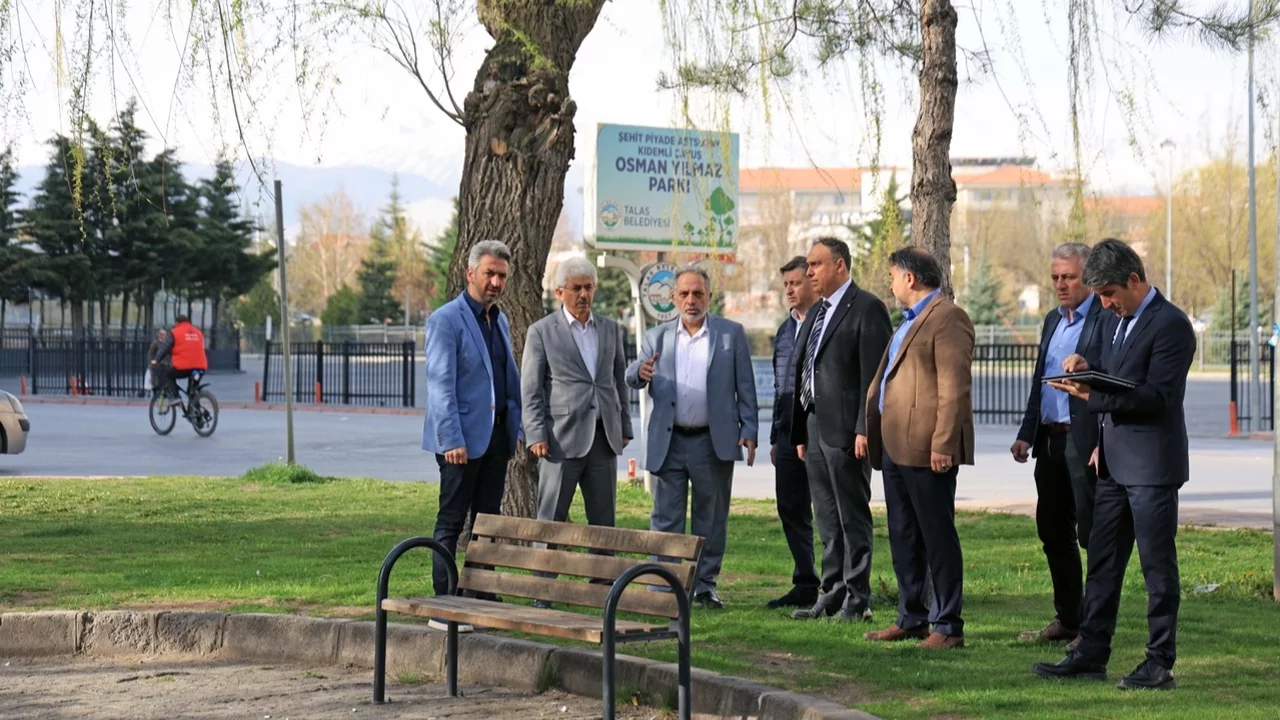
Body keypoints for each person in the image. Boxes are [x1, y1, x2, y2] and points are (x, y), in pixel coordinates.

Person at [1034, 238, 1195, 691]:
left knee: (1156, 568)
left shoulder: (1172, 325)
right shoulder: (1113, 320)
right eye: (1100, 296)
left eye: (1109, 294)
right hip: (1111, 464)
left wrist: (1092, 396)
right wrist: (1086, 365)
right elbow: (1112, 370)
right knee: (1102, 563)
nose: (1104, 304)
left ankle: (1159, 662)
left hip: (1152, 467)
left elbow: (1157, 396)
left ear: (1134, 280)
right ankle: (1091, 652)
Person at [626, 266, 758, 609]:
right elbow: (632, 375)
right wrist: (640, 371)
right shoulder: (656, 338)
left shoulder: (730, 335)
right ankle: (664, 586)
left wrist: (750, 430)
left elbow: (745, 386)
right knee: (665, 518)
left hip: (712, 442)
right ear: (673, 298)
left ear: (709, 297)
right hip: (670, 442)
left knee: (710, 518)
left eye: (698, 293)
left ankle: (704, 586)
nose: (691, 300)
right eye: (684, 294)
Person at [865, 247, 974, 650]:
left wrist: (943, 443)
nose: (890, 283)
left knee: (937, 536)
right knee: (904, 534)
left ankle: (948, 625)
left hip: (928, 449)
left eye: (893, 276)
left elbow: (954, 387)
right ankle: (912, 617)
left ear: (909, 278)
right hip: (896, 445)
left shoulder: (948, 318)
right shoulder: (908, 320)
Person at [788, 237, 893, 622]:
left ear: (840, 266)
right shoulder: (817, 312)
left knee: (852, 517)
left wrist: (865, 427)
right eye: (808, 265)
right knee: (827, 518)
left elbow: (875, 375)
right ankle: (830, 595)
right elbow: (806, 368)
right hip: (816, 426)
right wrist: (802, 431)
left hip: (848, 431)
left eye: (816, 264)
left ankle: (857, 599)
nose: (809, 272)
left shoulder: (867, 308)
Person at [421, 240, 522, 632]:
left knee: (487, 522)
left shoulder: (501, 320)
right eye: (489, 274)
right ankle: (444, 607)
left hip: (496, 439)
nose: (496, 282)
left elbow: (504, 379)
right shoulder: (446, 320)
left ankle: (479, 595)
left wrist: (515, 429)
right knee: (451, 522)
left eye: (502, 276)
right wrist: (451, 440)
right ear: (470, 274)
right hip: (460, 444)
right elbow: (440, 385)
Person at [521, 256, 633, 608]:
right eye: (576, 288)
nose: (583, 294)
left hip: (603, 437)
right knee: (551, 517)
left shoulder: (611, 329)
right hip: (559, 439)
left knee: (604, 519)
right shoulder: (541, 331)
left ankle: (603, 587)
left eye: (588, 287)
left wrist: (625, 426)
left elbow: (618, 381)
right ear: (560, 292)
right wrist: (536, 433)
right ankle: (543, 590)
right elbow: (531, 389)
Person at [1010, 243, 1107, 644]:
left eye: (1069, 276)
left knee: (1093, 534)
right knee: (1052, 531)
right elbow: (1041, 380)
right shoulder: (1052, 319)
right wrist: (1026, 432)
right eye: (1055, 277)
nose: (1061, 284)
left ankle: (1096, 627)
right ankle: (1070, 618)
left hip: (1085, 440)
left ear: (1088, 277)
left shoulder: (1105, 316)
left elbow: (1111, 377)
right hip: (1049, 441)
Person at [765, 256, 822, 610]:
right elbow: (779, 387)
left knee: (829, 511)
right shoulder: (785, 331)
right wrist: (775, 436)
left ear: (812, 282)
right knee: (790, 507)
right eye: (786, 284)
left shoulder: (826, 322)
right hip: (787, 434)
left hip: (819, 432)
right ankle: (805, 583)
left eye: (796, 283)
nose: (789, 289)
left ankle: (841, 585)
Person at [151, 316, 207, 402]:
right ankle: (195, 408)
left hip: (184, 367)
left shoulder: (175, 332)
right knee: (192, 391)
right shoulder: (198, 332)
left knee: (168, 375)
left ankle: (176, 397)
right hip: (200, 367)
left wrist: (156, 360)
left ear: (177, 323)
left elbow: (164, 348)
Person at [146, 328, 170, 396]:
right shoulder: (155, 343)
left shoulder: (168, 342)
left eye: (164, 334)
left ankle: (165, 392)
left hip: (167, 364)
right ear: (158, 334)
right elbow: (150, 354)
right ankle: (157, 392)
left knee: (166, 379)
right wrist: (151, 363)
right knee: (157, 380)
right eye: (161, 334)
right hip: (158, 364)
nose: (163, 336)